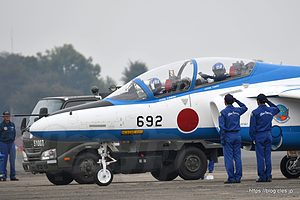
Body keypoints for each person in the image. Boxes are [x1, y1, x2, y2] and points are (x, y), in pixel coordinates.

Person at [249, 94, 280, 182]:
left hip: (259, 135)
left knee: (260, 157)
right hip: (268, 135)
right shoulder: (270, 110)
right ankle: (269, 175)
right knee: (268, 156)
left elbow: (252, 128)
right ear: (265, 101)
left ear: (258, 101)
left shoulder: (255, 112)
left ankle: (262, 176)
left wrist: (252, 138)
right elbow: (277, 108)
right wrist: (269, 102)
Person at [219, 94, 248, 184]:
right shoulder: (237, 110)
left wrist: (222, 138)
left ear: (225, 102)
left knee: (229, 158)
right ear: (232, 101)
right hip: (237, 135)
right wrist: (237, 101)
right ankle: (238, 177)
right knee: (237, 157)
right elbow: (245, 107)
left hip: (228, 136)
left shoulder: (223, 112)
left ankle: (231, 177)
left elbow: (222, 127)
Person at [0, 111, 19, 181]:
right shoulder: (1, 125)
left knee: (12, 160)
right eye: (6, 116)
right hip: (3, 143)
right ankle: (3, 175)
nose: (8, 117)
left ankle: (13, 176)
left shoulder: (12, 124)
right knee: (3, 160)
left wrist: (12, 140)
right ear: (3, 117)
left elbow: (14, 133)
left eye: (9, 116)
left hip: (11, 143)